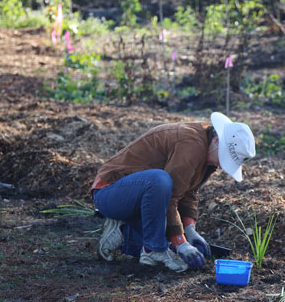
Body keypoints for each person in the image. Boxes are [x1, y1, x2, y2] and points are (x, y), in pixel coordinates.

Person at [91, 112, 256, 273]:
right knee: (158, 179)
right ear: (217, 140)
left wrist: (190, 229)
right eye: (223, 158)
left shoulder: (207, 150)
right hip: (109, 192)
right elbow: (170, 198)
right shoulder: (191, 146)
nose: (221, 166)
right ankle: (153, 250)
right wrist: (180, 241)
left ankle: (123, 230)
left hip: (135, 196)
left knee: (163, 238)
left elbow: (188, 192)